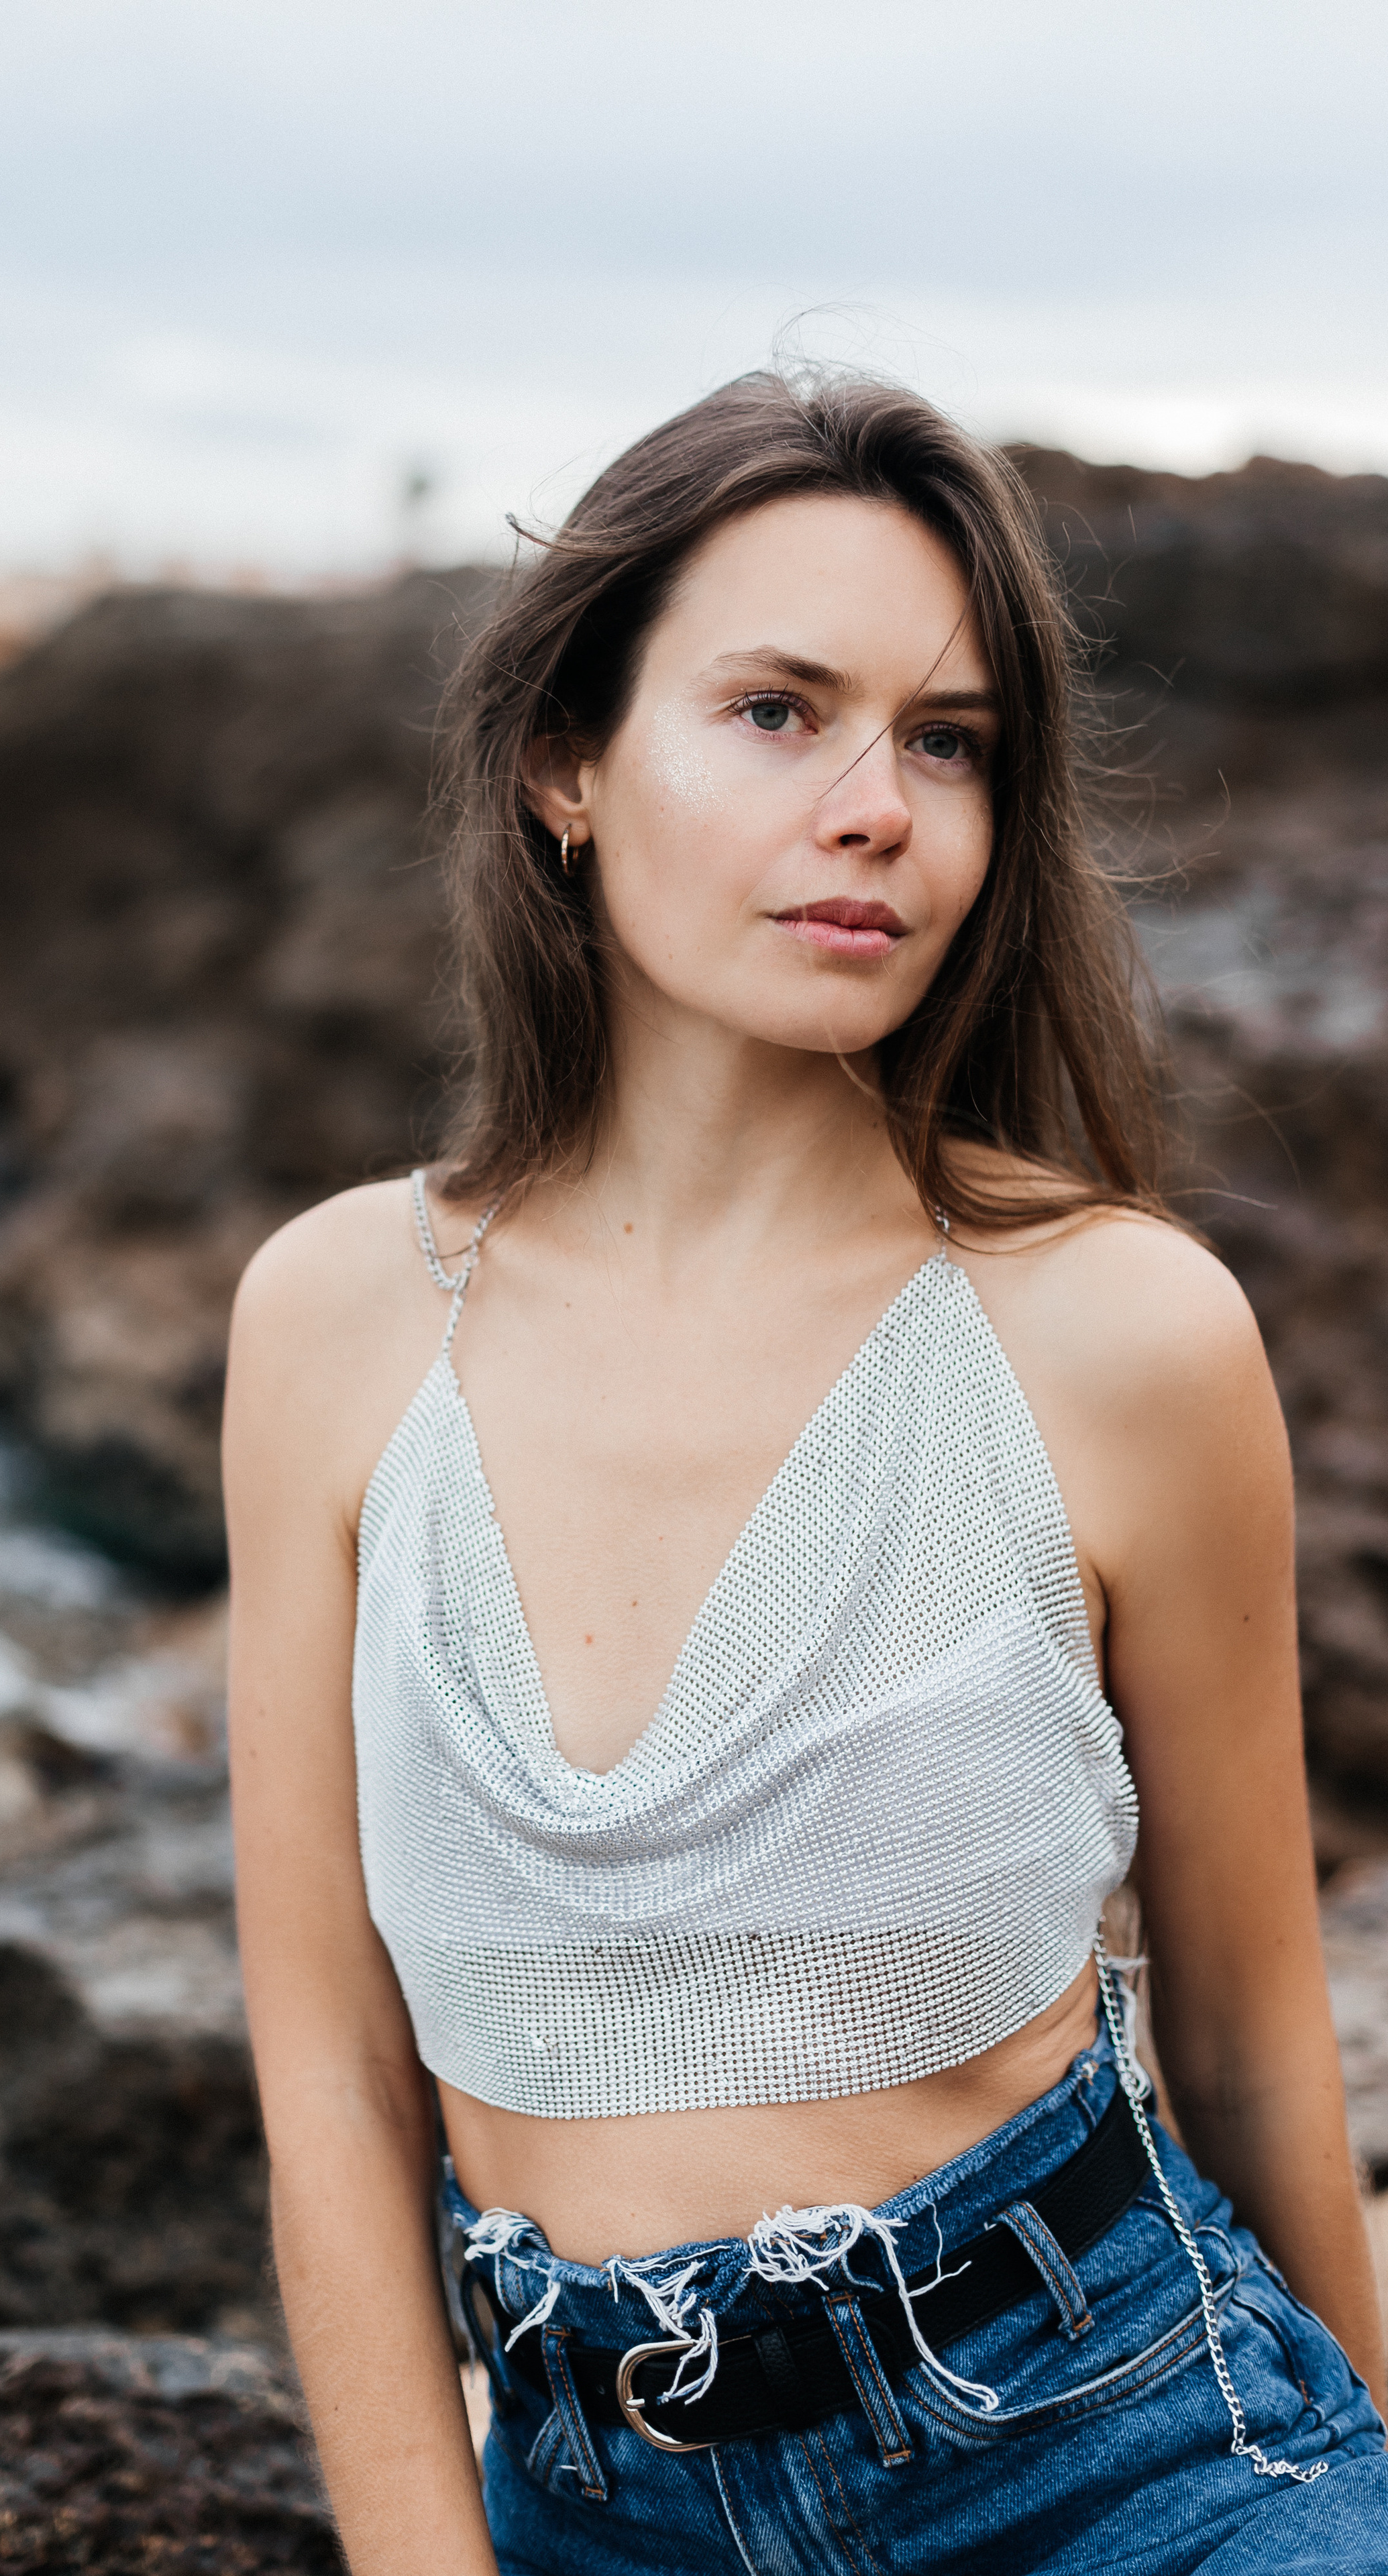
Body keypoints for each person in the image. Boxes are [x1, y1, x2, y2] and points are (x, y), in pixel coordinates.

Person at [222, 372, 1388, 2574]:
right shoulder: (334, 1325)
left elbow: (1250, 2038)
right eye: (779, 712)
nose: (879, 808)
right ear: (567, 762)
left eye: (948, 742)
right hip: (596, 2501)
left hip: (1130, 2460)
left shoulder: (1122, 1333)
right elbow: (332, 2073)